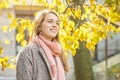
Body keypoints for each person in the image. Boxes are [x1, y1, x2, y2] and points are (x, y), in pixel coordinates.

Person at [16, 9, 69, 80]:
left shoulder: (59, 53)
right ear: (40, 27)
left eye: (57, 23)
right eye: (50, 21)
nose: (55, 25)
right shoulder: (28, 51)